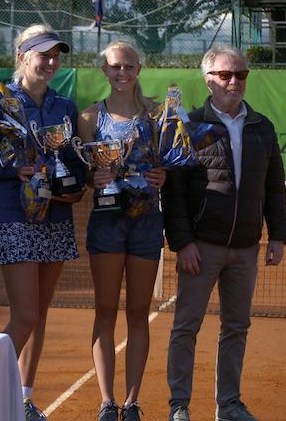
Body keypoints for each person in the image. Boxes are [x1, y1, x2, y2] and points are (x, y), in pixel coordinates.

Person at [0, 25, 84, 421]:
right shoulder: (0, 101)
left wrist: (74, 186)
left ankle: (24, 400)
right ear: (22, 57)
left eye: (55, 55)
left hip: (56, 218)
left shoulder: (65, 106)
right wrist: (14, 172)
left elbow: (73, 161)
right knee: (25, 315)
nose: (51, 61)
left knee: (40, 315)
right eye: (43, 54)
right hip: (16, 218)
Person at [163, 45, 286, 421]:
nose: (234, 81)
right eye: (225, 75)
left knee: (236, 327)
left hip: (246, 248)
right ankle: (179, 405)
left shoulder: (262, 127)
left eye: (241, 75)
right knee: (186, 326)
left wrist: (278, 235)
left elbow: (274, 186)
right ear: (208, 80)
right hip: (201, 247)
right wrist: (183, 243)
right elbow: (174, 192)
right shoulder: (190, 125)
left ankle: (229, 405)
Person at [76, 41, 166, 421]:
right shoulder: (88, 118)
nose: (122, 73)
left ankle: (131, 402)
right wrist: (92, 178)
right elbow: (81, 172)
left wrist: (163, 176)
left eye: (129, 66)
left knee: (139, 312)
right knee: (105, 310)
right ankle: (106, 402)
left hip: (146, 224)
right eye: (115, 66)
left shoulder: (158, 115)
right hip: (107, 222)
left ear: (139, 69)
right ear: (105, 70)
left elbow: (170, 163)